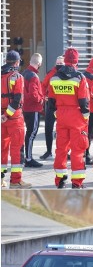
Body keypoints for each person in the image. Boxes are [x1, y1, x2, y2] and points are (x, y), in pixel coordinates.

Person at [48, 48, 91, 189]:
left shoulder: (54, 77)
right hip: (76, 116)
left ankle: (60, 179)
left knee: (61, 148)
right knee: (78, 149)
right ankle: (77, 182)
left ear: (65, 60)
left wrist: (56, 113)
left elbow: (51, 101)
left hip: (61, 115)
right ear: (76, 61)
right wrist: (86, 116)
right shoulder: (79, 77)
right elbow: (84, 101)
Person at [1, 50, 31, 188]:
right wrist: (7, 115)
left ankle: (1, 179)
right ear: (17, 62)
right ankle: (16, 181)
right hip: (14, 118)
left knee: (2, 148)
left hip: (1, 118)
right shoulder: (17, 77)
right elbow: (17, 100)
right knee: (17, 149)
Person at [22, 53, 44, 168]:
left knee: (28, 133)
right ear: (39, 63)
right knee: (31, 134)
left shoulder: (24, 73)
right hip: (33, 108)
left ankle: (25, 157)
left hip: (25, 108)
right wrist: (41, 100)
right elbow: (34, 95)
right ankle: (29, 158)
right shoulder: (34, 76)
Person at [40, 55, 64, 160]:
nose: (59, 65)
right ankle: (49, 151)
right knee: (48, 128)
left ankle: (64, 151)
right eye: (57, 64)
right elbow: (43, 85)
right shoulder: (51, 73)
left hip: (63, 104)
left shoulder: (69, 73)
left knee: (63, 130)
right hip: (51, 104)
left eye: (61, 64)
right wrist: (44, 96)